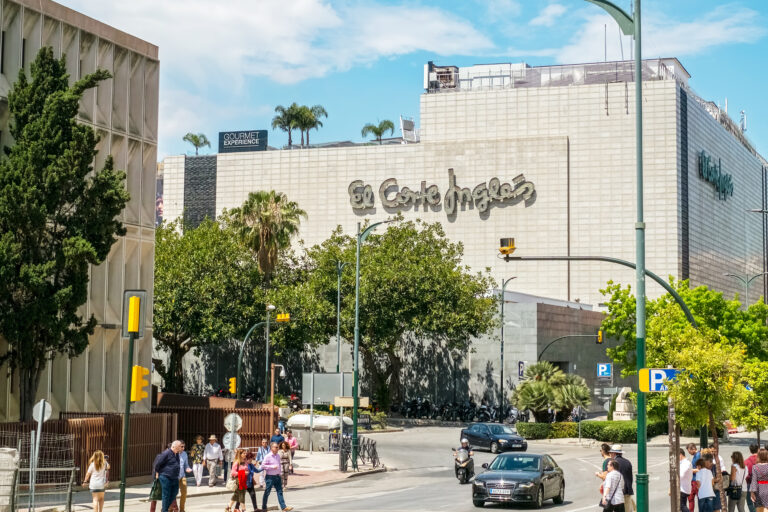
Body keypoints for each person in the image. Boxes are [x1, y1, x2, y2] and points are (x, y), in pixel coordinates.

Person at [261, 442, 293, 512]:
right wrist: (272, 467)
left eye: (277, 447)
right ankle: (264, 507)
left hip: (278, 476)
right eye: (276, 447)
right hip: (270, 477)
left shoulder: (278, 456)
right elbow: (263, 466)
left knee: (280, 491)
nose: (277, 448)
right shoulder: (268, 456)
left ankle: (283, 507)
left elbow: (279, 465)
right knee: (267, 492)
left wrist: (280, 472)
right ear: (272, 448)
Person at [154, 440, 183, 512]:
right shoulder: (166, 453)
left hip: (174, 477)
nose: (181, 448)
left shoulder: (177, 454)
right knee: (166, 494)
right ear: (175, 446)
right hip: (165, 477)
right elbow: (158, 464)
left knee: (175, 492)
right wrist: (158, 472)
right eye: (180, 446)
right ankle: (165, 510)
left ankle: (165, 508)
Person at [610, 445, 635, 512]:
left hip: (618, 493)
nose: (610, 455)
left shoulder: (613, 463)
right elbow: (630, 477)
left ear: (614, 453)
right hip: (627, 491)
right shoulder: (627, 462)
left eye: (611, 453)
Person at [749, 448, 768, 512]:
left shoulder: (755, 467)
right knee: (766, 508)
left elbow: (754, 480)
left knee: (759, 509)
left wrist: (752, 492)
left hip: (759, 490)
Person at [177, 441, 192, 512]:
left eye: (184, 446)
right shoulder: (174, 454)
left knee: (184, 492)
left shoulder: (185, 454)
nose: (183, 448)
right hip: (175, 477)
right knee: (173, 494)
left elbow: (186, 465)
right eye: (181, 446)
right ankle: (170, 508)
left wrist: (187, 468)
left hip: (182, 476)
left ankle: (182, 509)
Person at [746, 444, 759, 512]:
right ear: (758, 449)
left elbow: (746, 474)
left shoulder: (747, 461)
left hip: (749, 483)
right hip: (761, 483)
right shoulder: (762, 460)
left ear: (750, 450)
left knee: (750, 502)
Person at [690, 443, 702, 512]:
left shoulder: (697, 455)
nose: (689, 452)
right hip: (694, 480)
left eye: (689, 451)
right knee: (691, 498)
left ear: (693, 448)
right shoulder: (696, 455)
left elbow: (698, 469)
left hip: (696, 480)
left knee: (698, 499)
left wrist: (689, 470)